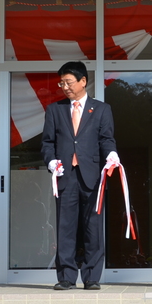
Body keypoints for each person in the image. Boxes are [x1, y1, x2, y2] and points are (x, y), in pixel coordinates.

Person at [42, 61, 119, 290]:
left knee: (93, 227)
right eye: (62, 82)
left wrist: (112, 155)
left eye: (69, 82)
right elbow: (47, 143)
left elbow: (106, 139)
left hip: (92, 175)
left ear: (83, 81)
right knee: (65, 226)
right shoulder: (55, 109)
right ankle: (66, 276)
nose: (65, 87)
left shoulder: (102, 109)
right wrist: (51, 161)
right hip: (65, 175)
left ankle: (92, 276)